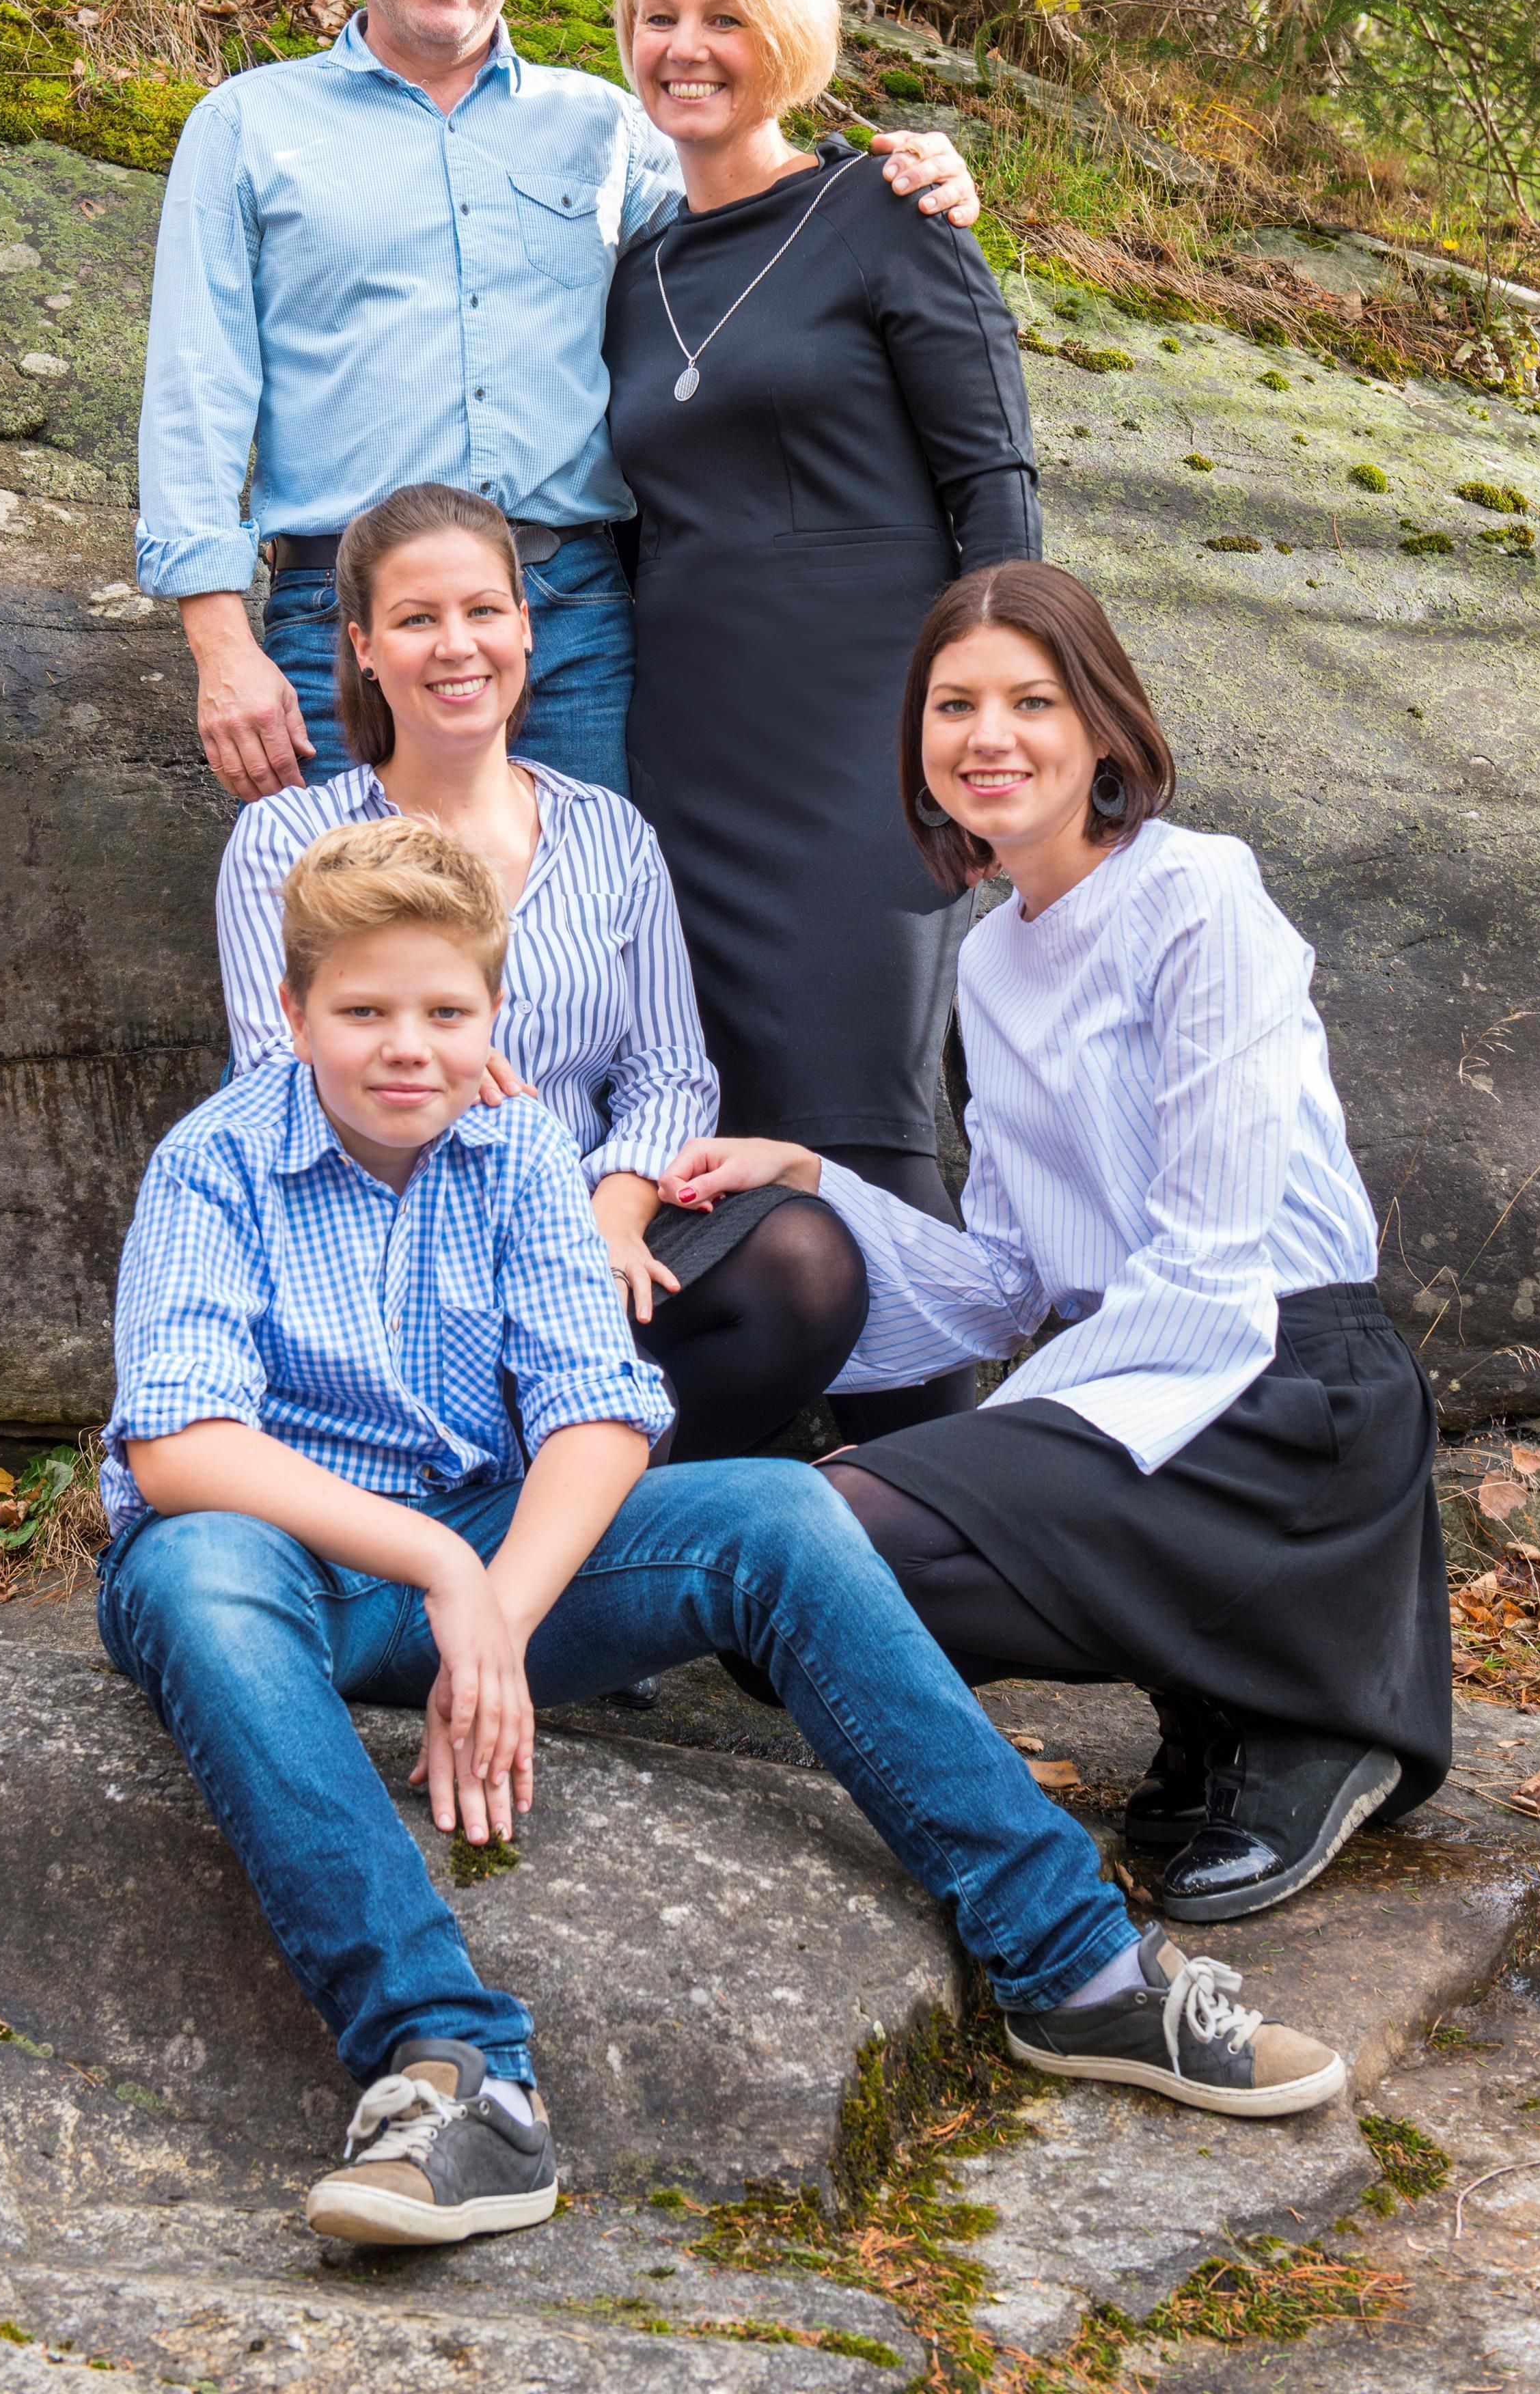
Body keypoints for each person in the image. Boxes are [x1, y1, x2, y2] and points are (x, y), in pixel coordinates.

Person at [98, 814, 1349, 2257]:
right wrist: (447, 1575)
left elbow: (598, 1412)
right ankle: (455, 2073)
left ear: (493, 1016)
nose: (407, 1049)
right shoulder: (217, 1159)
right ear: (293, 1009)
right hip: (273, 1557)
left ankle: (1077, 1970)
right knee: (195, 1572)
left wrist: (501, 1602)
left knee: (778, 1508)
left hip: (485, 1555)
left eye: (445, 1013)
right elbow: (181, 1445)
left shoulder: (518, 1151)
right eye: (364, 1012)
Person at [657, 560, 1452, 1926]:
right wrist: (811, 1178)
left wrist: (996, 1450)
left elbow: (1208, 1267)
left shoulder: (1199, 892)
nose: (990, 735)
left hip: (1283, 1386)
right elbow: (1006, 1281)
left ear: (1102, 727)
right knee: (773, 1590)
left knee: (815, 1536)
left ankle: (1312, 1718)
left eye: (1032, 700)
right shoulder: (991, 956)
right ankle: (1217, 1686)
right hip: (1135, 1373)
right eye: (953, 704)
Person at [135, 0, 981, 806]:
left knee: (588, 907)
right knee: (359, 912)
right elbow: (196, 390)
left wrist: (885, 179)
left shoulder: (608, 129)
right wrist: (220, 645)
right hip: (345, 626)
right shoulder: (247, 128)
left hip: (573, 622)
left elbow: (753, 239)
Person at [603, 0, 1041, 1444]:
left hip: (865, 753)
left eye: (723, 16)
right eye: (660, 16)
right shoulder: (637, 266)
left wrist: (988, 742)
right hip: (688, 759)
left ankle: (936, 1506)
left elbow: (995, 491)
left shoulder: (885, 210)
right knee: (718, 1144)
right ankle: (746, 1500)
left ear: (786, 36)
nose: (687, 46)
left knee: (866, 1125)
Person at [215, 480, 868, 1461]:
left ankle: (592, 1500)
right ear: (362, 645)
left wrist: (612, 1214)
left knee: (803, 1262)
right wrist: (433, 1071)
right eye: (416, 620)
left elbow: (668, 1071)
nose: (457, 645)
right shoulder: (287, 838)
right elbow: (278, 1071)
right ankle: (511, 1491)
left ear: (526, 626)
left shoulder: (610, 832)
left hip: (587, 1218)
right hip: (390, 1241)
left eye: (483, 611)